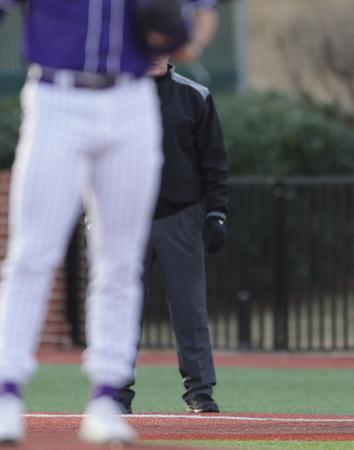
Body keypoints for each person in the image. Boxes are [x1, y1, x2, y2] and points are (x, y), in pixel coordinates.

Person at [0, 0, 218, 445]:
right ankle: (6, 393)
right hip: (56, 98)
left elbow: (199, 20)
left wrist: (181, 34)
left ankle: (106, 399)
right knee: (30, 255)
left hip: (130, 100)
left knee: (119, 261)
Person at [116, 55, 228, 415]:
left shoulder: (195, 96)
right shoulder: (116, 95)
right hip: (123, 219)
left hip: (180, 217)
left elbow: (214, 161)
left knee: (188, 309)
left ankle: (200, 392)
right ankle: (115, 392)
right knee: (119, 307)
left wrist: (216, 214)